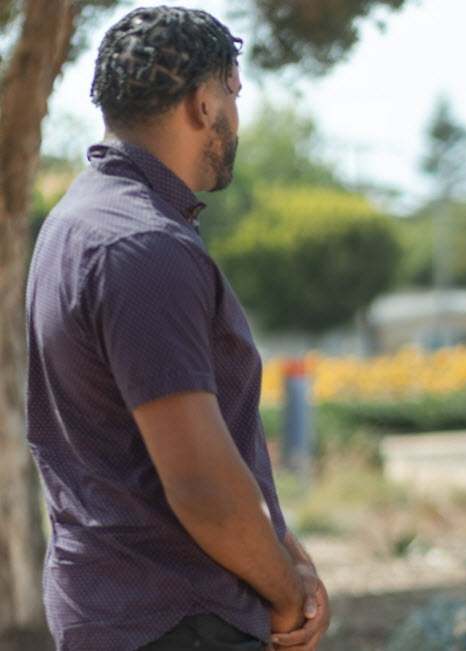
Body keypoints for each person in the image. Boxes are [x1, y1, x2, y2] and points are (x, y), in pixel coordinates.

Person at [26, 7, 328, 650]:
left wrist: (285, 551)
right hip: (177, 621)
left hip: (115, 609)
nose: (237, 118)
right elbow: (203, 486)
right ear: (202, 103)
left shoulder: (72, 223)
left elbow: (207, 446)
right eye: (234, 95)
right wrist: (284, 597)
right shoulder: (143, 247)